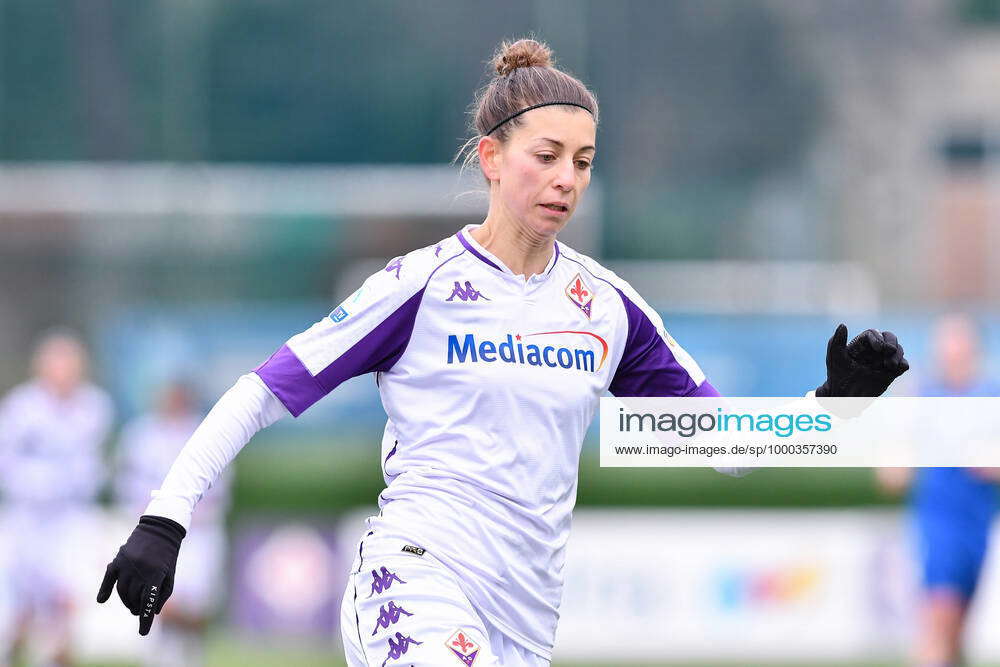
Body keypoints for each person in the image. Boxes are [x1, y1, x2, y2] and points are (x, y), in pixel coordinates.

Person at [98, 38, 909, 666]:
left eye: (583, 162)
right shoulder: (421, 286)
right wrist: (165, 518)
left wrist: (829, 405)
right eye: (545, 156)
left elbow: (728, 448)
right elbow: (263, 391)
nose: (566, 179)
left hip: (525, 615)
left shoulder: (609, 310)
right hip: (412, 578)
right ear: (491, 159)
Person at [877, 314, 998, 667]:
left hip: (976, 528)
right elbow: (891, 472)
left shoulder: (990, 397)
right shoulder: (921, 398)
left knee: (956, 636)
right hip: (939, 525)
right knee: (937, 630)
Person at [0, 329, 114, 667]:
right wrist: (33, 483)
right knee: (20, 604)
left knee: (66, 600)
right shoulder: (21, 407)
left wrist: (79, 480)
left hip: (71, 519)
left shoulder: (95, 407)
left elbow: (97, 462)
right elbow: (7, 460)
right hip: (26, 518)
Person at [114, 379, 230, 667]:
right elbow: (125, 483)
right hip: (155, 533)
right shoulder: (140, 435)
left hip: (197, 534)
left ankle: (189, 654)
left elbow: (220, 489)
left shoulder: (206, 432)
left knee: (195, 610)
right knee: (158, 603)